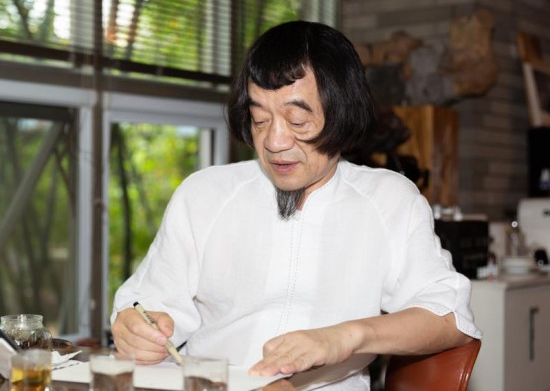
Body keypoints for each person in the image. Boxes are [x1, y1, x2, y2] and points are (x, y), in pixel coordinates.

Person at [110, 20, 481, 390]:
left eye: (298, 120)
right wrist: (135, 330)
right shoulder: (204, 194)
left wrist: (345, 337)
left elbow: (449, 316)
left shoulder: (389, 200)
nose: (274, 141)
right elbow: (148, 303)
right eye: (260, 119)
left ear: (341, 112)